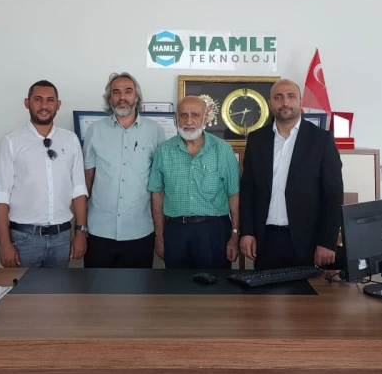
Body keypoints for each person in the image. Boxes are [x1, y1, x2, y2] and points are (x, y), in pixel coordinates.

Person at [239, 79, 343, 270]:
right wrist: (247, 232)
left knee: (307, 290)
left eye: (291, 96)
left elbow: (333, 195)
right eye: (278, 97)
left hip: (307, 242)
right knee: (264, 290)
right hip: (265, 240)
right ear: (270, 103)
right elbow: (248, 190)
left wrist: (327, 242)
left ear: (300, 101)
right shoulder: (257, 139)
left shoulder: (321, 140)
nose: (285, 102)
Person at [0, 80, 88, 268]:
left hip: (62, 237)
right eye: (38, 99)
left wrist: (80, 233)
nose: (44, 105)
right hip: (24, 238)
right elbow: (0, 195)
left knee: (59, 287)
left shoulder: (70, 140)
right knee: (24, 288)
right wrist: (4, 243)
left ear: (58, 105)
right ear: (27, 103)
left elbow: (78, 189)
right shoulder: (11, 142)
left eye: (50, 100)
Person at [82, 72, 164, 268]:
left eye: (128, 91)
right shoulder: (95, 130)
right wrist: (80, 227)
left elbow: (159, 185)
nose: (122, 97)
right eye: (116, 92)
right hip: (99, 230)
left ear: (136, 96)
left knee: (138, 287)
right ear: (109, 98)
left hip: (140, 230)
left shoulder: (155, 131)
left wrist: (160, 233)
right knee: (96, 286)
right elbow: (86, 182)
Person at [148, 96, 240, 269]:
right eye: (183, 115)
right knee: (176, 283)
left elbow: (234, 195)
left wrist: (235, 235)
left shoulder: (223, 150)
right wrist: (159, 236)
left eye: (195, 115)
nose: (188, 121)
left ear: (205, 118)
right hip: (175, 231)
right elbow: (157, 194)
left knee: (215, 283)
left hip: (214, 232)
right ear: (176, 117)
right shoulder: (164, 151)